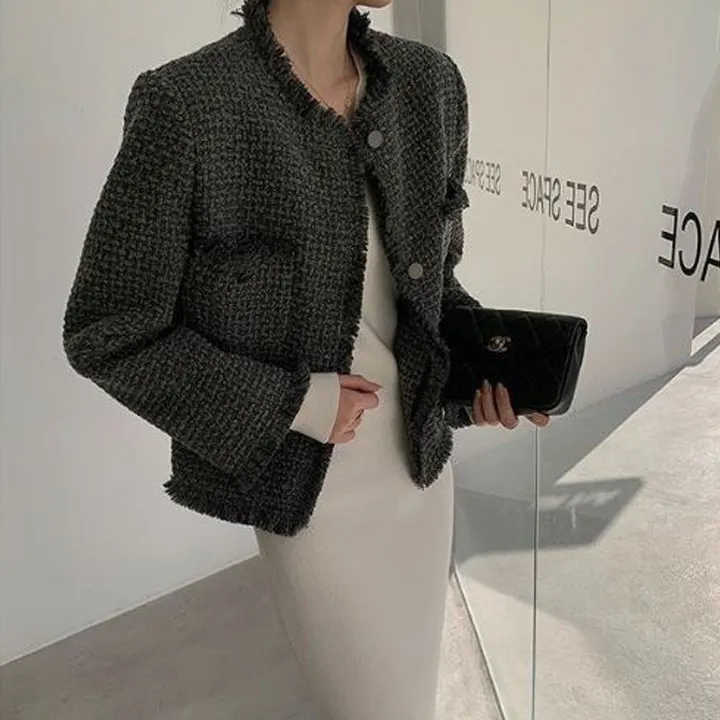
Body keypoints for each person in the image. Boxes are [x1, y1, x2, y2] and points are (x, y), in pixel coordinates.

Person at [62, 0, 549, 717]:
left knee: (412, 699)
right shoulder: (188, 105)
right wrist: (297, 403)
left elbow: (432, 287)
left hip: (420, 473)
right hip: (316, 499)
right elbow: (107, 331)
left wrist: (484, 367)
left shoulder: (430, 84)